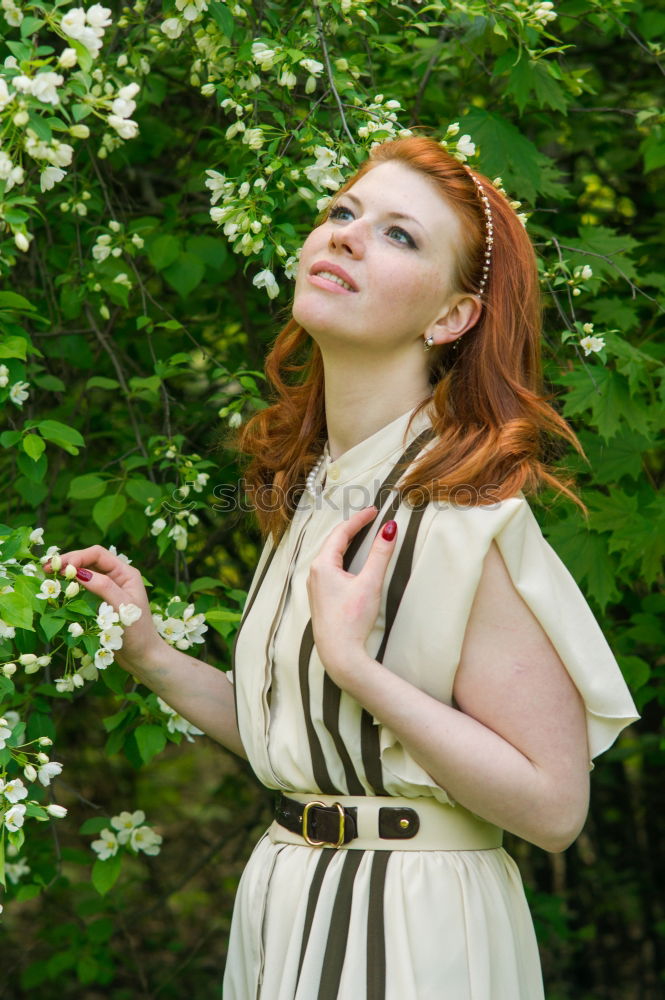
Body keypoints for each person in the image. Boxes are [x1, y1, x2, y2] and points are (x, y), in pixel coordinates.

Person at [48, 137, 639, 999]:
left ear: (450, 319)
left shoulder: (460, 511)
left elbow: (553, 809)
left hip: (412, 924)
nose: (348, 236)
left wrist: (353, 662)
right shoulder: (322, 486)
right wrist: (152, 657)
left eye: (400, 236)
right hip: (289, 899)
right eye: (342, 213)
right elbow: (313, 752)